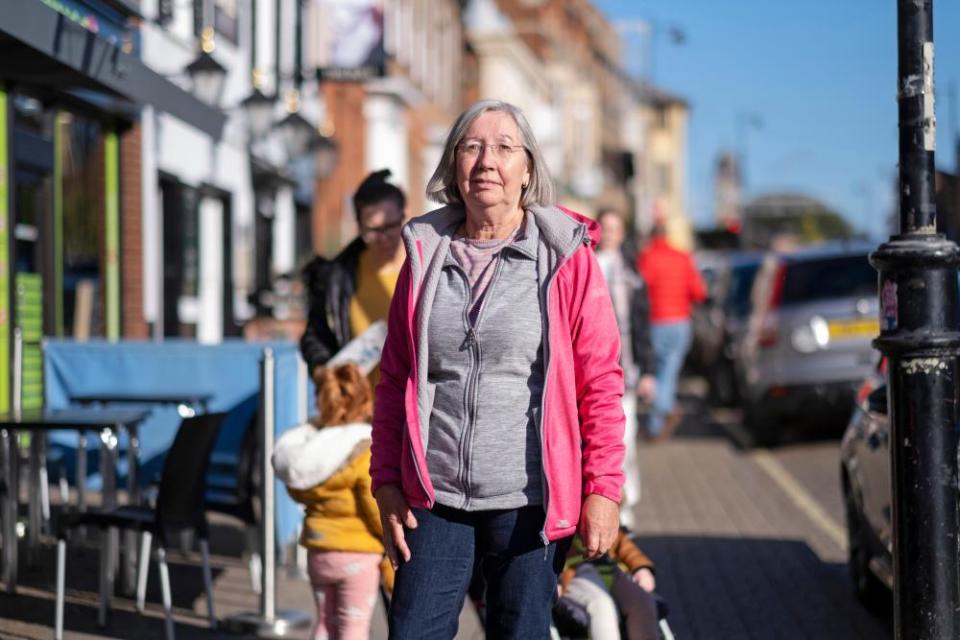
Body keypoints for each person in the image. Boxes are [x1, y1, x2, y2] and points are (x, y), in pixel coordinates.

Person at [370, 99, 626, 638]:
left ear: (528, 170)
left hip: (528, 499)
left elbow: (600, 382)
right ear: (453, 166)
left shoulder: (565, 258)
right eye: (471, 146)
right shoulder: (423, 255)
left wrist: (603, 489)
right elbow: (394, 378)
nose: (487, 160)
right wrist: (386, 481)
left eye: (505, 148)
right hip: (433, 495)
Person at [273, 362, 392, 640]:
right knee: (354, 628)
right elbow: (374, 508)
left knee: (325, 624)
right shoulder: (364, 451)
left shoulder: (313, 456)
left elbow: (298, 490)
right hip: (358, 557)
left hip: (318, 553)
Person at [300, 169, 406, 378]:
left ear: (404, 217)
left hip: (417, 406)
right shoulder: (335, 277)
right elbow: (315, 337)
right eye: (373, 230)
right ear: (358, 227)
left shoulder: (427, 268)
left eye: (391, 226)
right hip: (360, 405)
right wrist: (324, 370)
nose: (383, 237)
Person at [595, 208, 656, 526]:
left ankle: (627, 501)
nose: (610, 233)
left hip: (626, 372)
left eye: (616, 228)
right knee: (599, 442)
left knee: (626, 439)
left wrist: (648, 370)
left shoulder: (632, 273)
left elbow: (642, 323)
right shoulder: (586, 264)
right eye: (605, 227)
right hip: (592, 373)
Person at [637, 223, 706, 442]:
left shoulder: (646, 258)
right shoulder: (682, 257)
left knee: (657, 373)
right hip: (680, 323)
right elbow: (699, 292)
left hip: (655, 323)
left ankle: (664, 413)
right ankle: (658, 420)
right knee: (669, 373)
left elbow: (640, 291)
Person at [557, 528, 659, 640]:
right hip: (573, 572)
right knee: (601, 605)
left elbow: (623, 544)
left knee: (642, 599)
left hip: (609, 569)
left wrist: (641, 567)